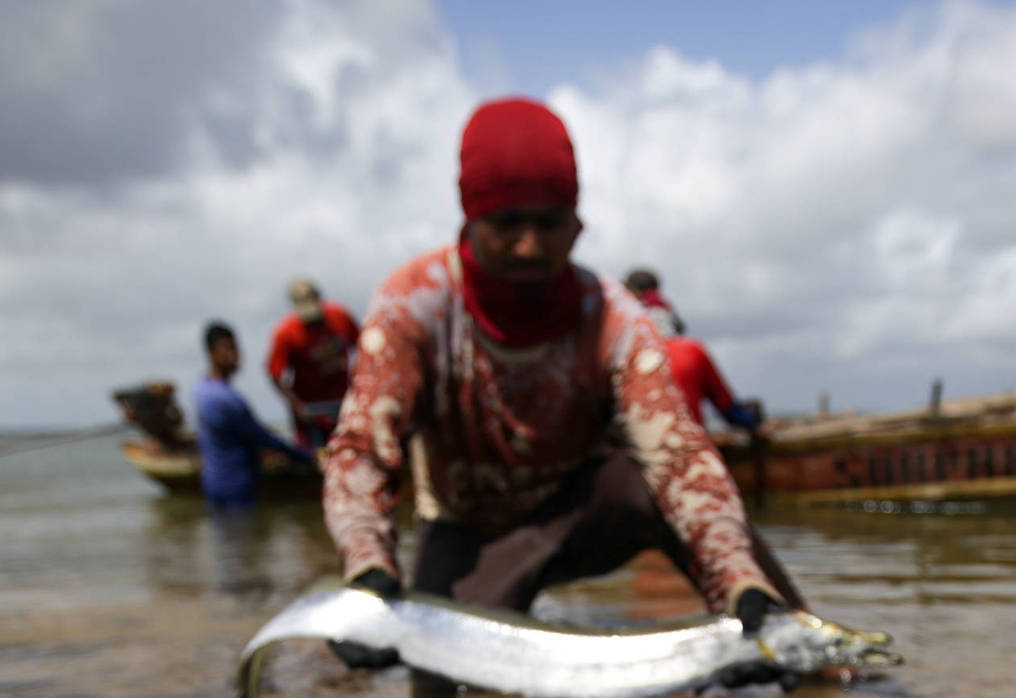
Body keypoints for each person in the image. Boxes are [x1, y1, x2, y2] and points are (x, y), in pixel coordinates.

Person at [322, 97, 804, 648]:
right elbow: (362, 450)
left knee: (678, 512)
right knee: (444, 689)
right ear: (470, 218)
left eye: (549, 224)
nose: (530, 246)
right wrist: (366, 570)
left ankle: (802, 649)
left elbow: (678, 457)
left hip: (577, 516)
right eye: (507, 224)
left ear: (576, 226)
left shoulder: (613, 318)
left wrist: (737, 578)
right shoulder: (415, 306)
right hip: (467, 529)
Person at [624, 267, 764, 433]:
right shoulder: (691, 351)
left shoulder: (622, 356)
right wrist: (754, 420)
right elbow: (730, 411)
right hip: (688, 450)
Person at [193, 321, 310, 509]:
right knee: (241, 533)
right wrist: (303, 455)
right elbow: (259, 436)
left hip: (214, 481)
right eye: (228, 349)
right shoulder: (225, 398)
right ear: (212, 353)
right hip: (235, 484)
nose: (235, 355)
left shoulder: (201, 389)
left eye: (236, 348)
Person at [265, 278, 361, 449]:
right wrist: (297, 406)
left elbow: (363, 346)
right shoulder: (286, 333)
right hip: (311, 411)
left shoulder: (340, 317)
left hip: (345, 403)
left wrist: (360, 386)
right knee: (316, 458)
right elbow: (274, 374)